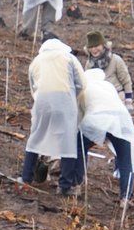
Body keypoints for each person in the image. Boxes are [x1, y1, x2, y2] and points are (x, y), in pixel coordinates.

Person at [21, 37, 87, 196]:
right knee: (68, 143)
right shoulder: (69, 58)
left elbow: (33, 87)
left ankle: (26, 179)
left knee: (35, 139)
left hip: (42, 102)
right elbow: (82, 84)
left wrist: (41, 101)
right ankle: (64, 186)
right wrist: (72, 97)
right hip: (65, 102)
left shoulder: (36, 61)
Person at [79, 67, 134, 200]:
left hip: (96, 120)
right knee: (125, 159)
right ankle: (125, 197)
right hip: (120, 122)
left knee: (80, 147)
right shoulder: (108, 86)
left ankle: (76, 183)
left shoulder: (85, 87)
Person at [83, 31, 133, 107]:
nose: (93, 49)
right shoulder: (89, 64)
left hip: (117, 99)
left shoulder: (116, 60)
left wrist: (128, 102)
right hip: (98, 101)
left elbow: (126, 81)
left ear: (103, 45)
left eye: (96, 46)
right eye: (91, 47)